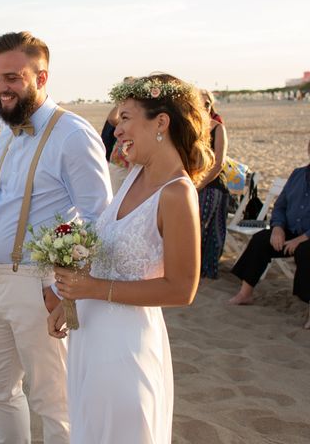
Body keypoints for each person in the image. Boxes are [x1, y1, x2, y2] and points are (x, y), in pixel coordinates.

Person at [48, 74, 214, 443]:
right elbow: (108, 255)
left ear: (161, 122)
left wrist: (94, 288)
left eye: (125, 118)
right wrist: (70, 298)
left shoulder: (177, 193)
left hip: (125, 347)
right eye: (118, 119)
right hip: (89, 340)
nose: (117, 128)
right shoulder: (133, 176)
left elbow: (182, 289)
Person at [0, 31, 112, 444]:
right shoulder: (6, 137)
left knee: (56, 401)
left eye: (12, 77)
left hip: (39, 285)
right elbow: (0, 207)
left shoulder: (73, 134)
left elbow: (97, 217)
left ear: (41, 76)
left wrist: (60, 287)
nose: (1, 88)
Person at [229, 139, 310, 328]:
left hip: (307, 237)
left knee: (306, 252)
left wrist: (300, 240)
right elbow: (280, 206)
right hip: (289, 230)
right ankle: (245, 293)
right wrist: (278, 228)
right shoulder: (298, 174)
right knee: (260, 240)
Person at [197, 89, 229, 279]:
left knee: (207, 228)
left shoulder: (217, 128)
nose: (204, 107)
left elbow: (218, 163)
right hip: (191, 184)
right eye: (200, 104)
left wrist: (198, 186)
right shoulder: (190, 129)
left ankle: (206, 268)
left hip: (212, 184)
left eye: (207, 104)